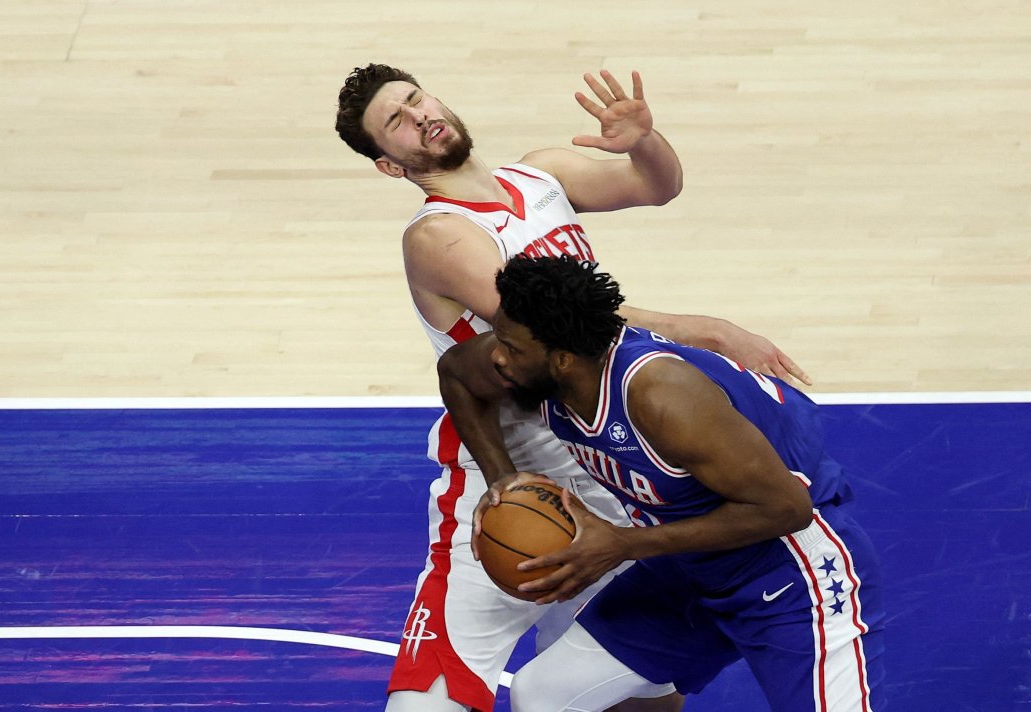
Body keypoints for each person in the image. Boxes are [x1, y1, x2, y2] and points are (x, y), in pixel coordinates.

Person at [333, 64, 808, 712]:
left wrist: (643, 139)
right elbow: (555, 320)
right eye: (397, 122)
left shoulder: (538, 176)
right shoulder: (437, 234)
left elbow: (656, 185)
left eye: (417, 100)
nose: (419, 117)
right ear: (391, 165)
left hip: (606, 455)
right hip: (505, 465)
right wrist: (704, 331)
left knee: (627, 689)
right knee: (430, 702)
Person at [438, 256, 885, 712]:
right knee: (541, 693)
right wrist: (503, 480)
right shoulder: (545, 367)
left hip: (790, 572)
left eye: (512, 348)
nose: (497, 355)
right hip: (689, 567)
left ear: (563, 359)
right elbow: (457, 371)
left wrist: (624, 544)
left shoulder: (661, 395)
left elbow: (786, 509)